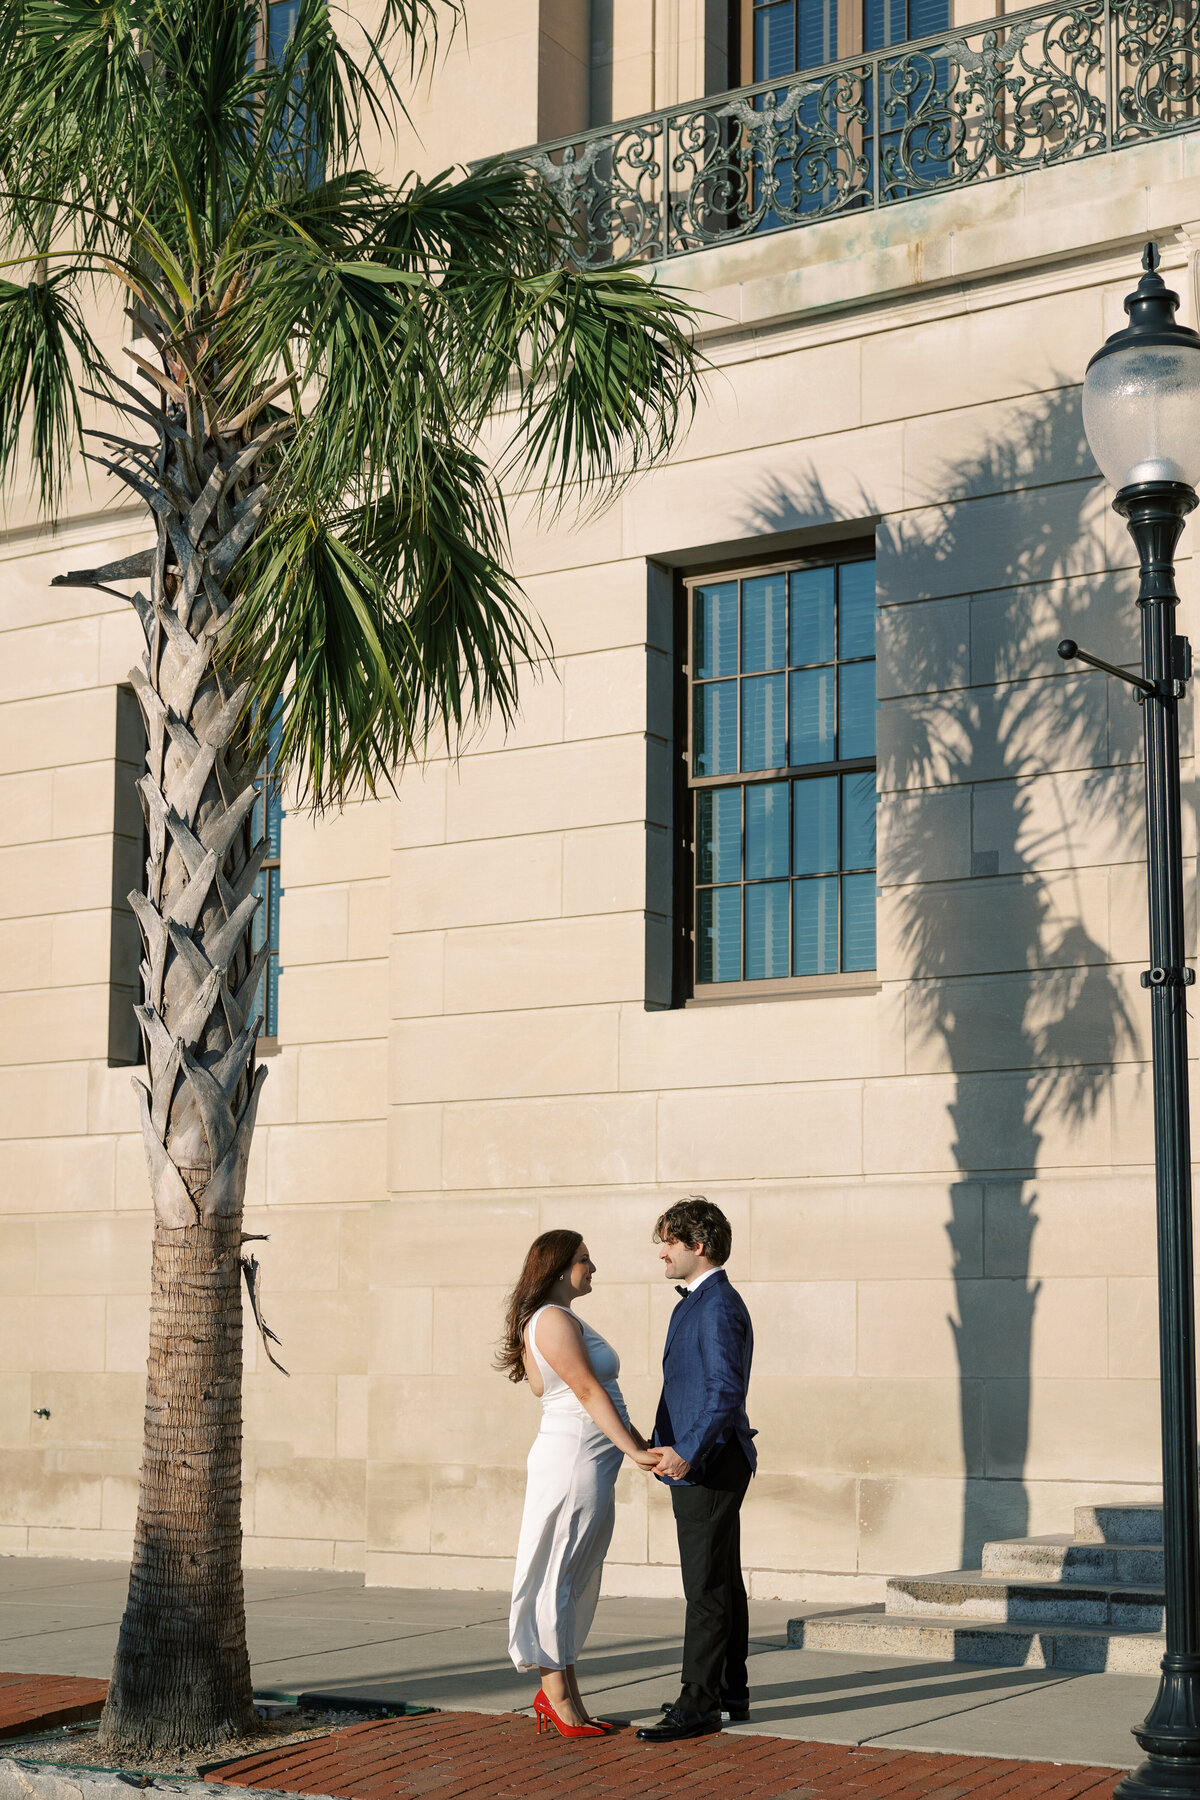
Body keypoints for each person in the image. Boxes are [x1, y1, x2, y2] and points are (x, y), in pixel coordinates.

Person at [499, 1228, 660, 1739]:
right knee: (558, 1574)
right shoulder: (549, 1319)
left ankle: (569, 1696)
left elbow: (600, 1391)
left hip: (589, 1456)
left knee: (576, 1573)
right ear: (556, 1267)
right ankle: (557, 1696)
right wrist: (633, 1449)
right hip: (572, 1460)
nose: (593, 1269)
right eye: (584, 1260)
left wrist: (637, 1443)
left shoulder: (561, 1318)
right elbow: (586, 1389)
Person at [636, 1196, 757, 1745]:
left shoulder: (718, 1305)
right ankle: (729, 1690)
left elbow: (725, 1391)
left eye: (669, 1241)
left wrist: (686, 1450)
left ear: (697, 1245)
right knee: (723, 1581)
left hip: (708, 1462)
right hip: (702, 1457)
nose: (661, 1252)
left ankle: (699, 1703)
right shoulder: (694, 1302)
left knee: (705, 1587)